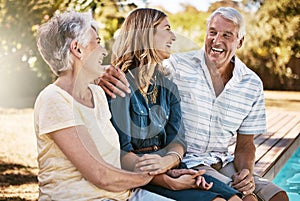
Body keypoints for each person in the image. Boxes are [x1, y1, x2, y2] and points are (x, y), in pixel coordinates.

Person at [98, 7, 289, 201]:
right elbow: (135, 65)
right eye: (212, 32)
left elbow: (244, 143)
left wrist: (246, 173)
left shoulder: (251, 83)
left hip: (210, 161)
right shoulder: (174, 67)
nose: (217, 40)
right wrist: (100, 72)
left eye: (227, 35)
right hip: (188, 162)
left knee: (279, 197)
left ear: (240, 41)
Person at [34, 10, 176, 201]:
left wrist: (170, 172)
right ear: (77, 49)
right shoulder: (54, 99)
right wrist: (156, 178)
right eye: (98, 42)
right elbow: (101, 176)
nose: (104, 51)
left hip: (124, 195)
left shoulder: (98, 93)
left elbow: (113, 158)